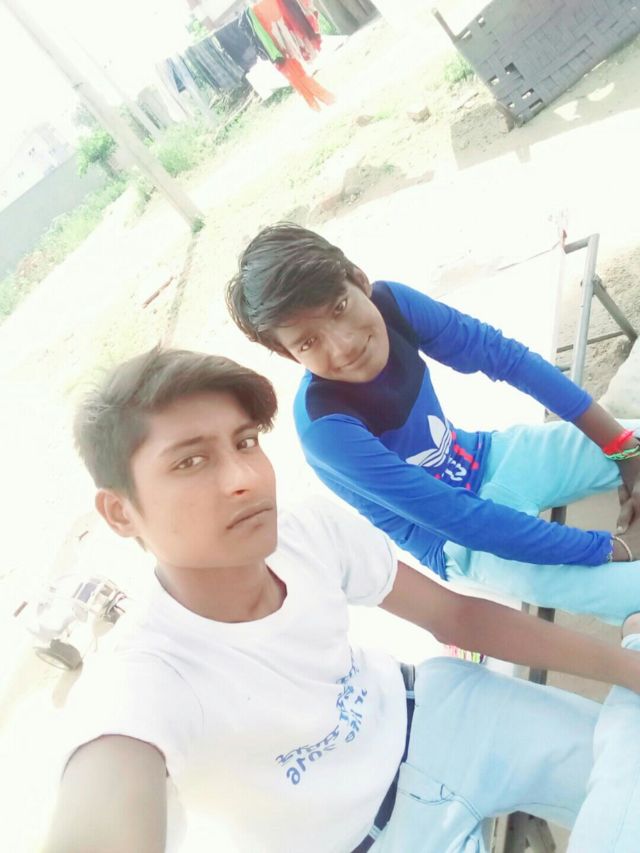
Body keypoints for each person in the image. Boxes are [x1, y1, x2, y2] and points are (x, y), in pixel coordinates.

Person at [46, 347, 640, 852]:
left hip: (433, 711)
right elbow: (101, 805)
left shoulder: (306, 533)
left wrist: (627, 666)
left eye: (246, 442)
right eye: (191, 461)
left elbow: (454, 614)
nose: (243, 478)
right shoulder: (143, 675)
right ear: (120, 512)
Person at [226, 223, 640, 623]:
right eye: (308, 342)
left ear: (359, 279)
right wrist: (609, 548)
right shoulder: (325, 427)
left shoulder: (393, 305)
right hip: (458, 544)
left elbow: (505, 358)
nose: (344, 345)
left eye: (339, 308)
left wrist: (624, 450)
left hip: (487, 457)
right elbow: (460, 520)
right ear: (290, 355)